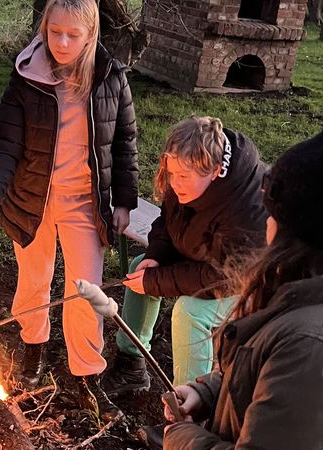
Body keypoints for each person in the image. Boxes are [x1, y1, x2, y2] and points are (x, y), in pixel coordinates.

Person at [163, 106, 323, 449]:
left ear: (299, 230)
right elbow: (278, 384)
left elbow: (300, 376)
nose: (266, 225)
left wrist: (184, 440)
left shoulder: (317, 349)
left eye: (272, 214)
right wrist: (209, 391)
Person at [0, 0, 138, 422]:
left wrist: (123, 201)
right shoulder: (27, 76)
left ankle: (87, 374)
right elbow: (5, 143)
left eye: (72, 35)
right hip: (32, 201)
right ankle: (34, 348)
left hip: (85, 203)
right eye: (54, 32)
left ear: (91, 33)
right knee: (34, 282)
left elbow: (124, 145)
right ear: (45, 27)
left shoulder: (111, 78)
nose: (61, 42)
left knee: (86, 290)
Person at [102, 116, 268, 398]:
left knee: (191, 313)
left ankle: (188, 405)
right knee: (138, 269)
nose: (175, 183)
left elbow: (224, 277)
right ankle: (132, 363)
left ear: (214, 170)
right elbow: (167, 222)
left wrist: (157, 281)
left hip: (252, 280)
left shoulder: (246, 206)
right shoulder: (186, 169)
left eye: (184, 177)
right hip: (208, 259)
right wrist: (155, 257)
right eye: (171, 174)